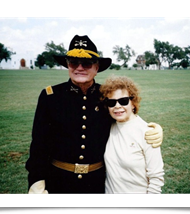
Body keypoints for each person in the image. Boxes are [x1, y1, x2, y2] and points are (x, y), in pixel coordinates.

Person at [25, 35, 163, 194]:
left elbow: (126, 117)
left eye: (86, 63)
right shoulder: (51, 96)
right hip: (58, 182)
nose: (79, 67)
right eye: (74, 62)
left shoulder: (106, 95)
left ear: (97, 67)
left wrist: (152, 129)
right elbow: (38, 144)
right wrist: (36, 183)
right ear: (68, 65)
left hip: (96, 184)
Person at [99, 75, 164, 193]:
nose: (117, 106)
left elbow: (156, 178)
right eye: (111, 102)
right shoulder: (109, 126)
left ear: (133, 103)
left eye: (123, 101)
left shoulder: (148, 133)